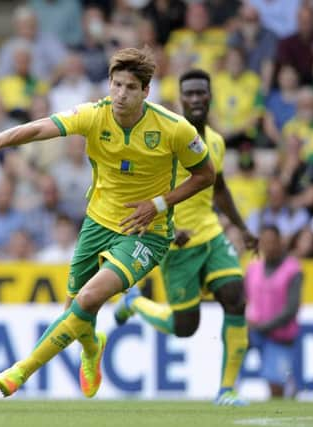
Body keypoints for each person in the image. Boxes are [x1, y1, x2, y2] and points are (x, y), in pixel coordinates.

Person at [0, 47, 215, 398]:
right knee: (73, 311)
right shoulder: (95, 115)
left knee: (89, 297)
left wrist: (158, 205)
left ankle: (21, 370)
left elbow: (205, 175)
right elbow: (39, 129)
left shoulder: (174, 129)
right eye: (116, 85)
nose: (121, 94)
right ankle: (92, 347)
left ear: (146, 91)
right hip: (96, 224)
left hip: (145, 232)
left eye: (129, 87)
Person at [113, 69, 258, 406]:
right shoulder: (168, 141)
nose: (195, 99)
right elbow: (143, 189)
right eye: (188, 94)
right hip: (175, 242)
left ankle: (227, 390)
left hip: (210, 233)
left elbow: (218, 188)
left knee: (236, 298)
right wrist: (165, 227)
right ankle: (135, 303)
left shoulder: (217, 142)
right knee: (185, 327)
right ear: (180, 100)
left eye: (200, 93)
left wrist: (242, 227)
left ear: (210, 97)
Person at [245, 225, 303, 398]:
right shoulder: (253, 268)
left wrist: (263, 326)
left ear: (280, 242)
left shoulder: (293, 269)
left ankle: (289, 389)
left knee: (276, 387)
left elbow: (291, 309)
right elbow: (243, 299)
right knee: (231, 358)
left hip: (279, 336)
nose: (268, 246)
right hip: (253, 333)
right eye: (264, 242)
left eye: (272, 241)